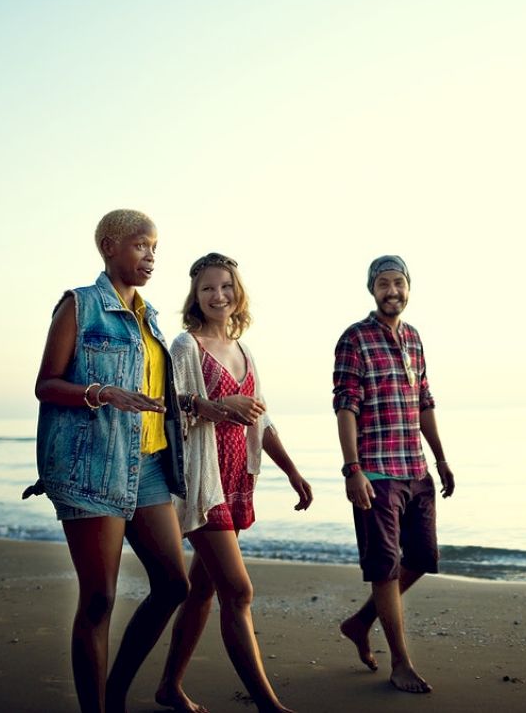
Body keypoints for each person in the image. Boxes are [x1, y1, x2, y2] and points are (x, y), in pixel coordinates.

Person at [29, 210, 189, 713]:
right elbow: (46, 385)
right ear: (109, 245)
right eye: (141, 245)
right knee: (98, 601)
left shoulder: (151, 316)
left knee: (172, 585)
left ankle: (114, 692)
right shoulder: (80, 306)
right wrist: (101, 393)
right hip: (92, 467)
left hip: (148, 467)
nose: (151, 256)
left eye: (155, 248)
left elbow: (162, 397)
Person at [156, 252, 313, 713]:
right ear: (195, 295)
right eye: (207, 288)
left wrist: (292, 471)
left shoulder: (245, 352)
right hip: (204, 485)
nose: (217, 295)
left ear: (237, 292)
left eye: (225, 286)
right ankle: (268, 705)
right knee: (239, 591)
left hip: (237, 481)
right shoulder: (186, 346)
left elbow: (260, 422)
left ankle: (169, 686)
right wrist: (220, 405)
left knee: (204, 588)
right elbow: (172, 406)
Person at [333, 255, 455, 694]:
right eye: (383, 283)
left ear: (409, 288)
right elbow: (345, 406)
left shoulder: (415, 339)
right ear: (372, 289)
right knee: (385, 567)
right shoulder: (355, 339)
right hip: (377, 472)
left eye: (399, 283)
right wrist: (353, 470)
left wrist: (440, 458)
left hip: (415, 468)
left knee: (421, 558)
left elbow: (425, 401)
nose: (392, 291)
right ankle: (400, 663)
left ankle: (360, 622)